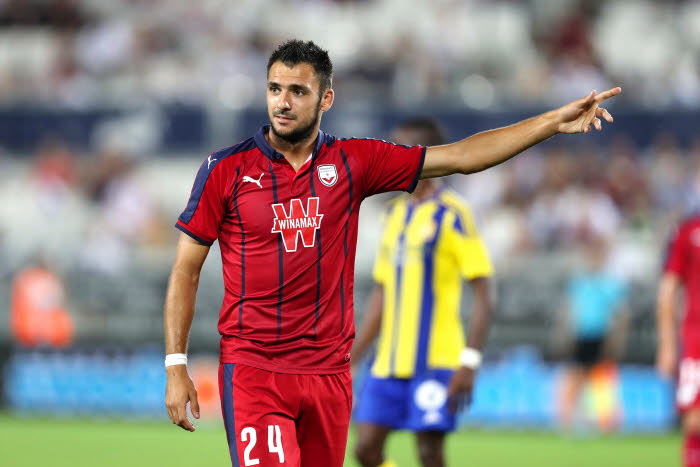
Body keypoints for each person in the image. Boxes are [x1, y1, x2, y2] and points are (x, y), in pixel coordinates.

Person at [163, 39, 620, 467]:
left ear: (326, 99)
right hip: (255, 369)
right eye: (275, 89)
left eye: (298, 91)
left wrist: (552, 123)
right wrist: (176, 363)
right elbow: (186, 270)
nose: (282, 102)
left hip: (329, 375)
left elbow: (462, 157)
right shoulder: (225, 169)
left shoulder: (354, 161)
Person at [351, 117, 493, 467]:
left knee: (429, 454)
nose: (392, 159)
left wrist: (469, 363)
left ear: (426, 155)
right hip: (387, 362)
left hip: (436, 360)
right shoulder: (393, 215)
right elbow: (383, 293)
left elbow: (485, 293)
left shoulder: (453, 213)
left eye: (401, 150)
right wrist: (353, 355)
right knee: (365, 450)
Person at [556, 235, 628, 432]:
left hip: (601, 336)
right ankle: (567, 422)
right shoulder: (578, 282)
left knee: (601, 381)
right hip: (581, 336)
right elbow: (569, 310)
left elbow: (620, 315)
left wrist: (616, 339)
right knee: (575, 377)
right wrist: (564, 334)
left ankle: (607, 424)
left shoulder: (611, 283)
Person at [657, 170, 700, 467]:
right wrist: (668, 345)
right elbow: (667, 291)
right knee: (694, 420)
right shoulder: (689, 232)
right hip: (697, 339)